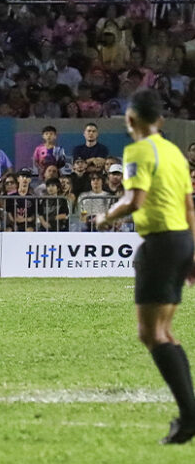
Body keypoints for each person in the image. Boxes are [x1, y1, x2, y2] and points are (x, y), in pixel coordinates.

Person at [94, 89, 195, 444]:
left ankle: (190, 416)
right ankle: (188, 417)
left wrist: (106, 216)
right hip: (181, 239)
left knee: (151, 334)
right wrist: (193, 253)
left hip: (162, 243)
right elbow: (189, 206)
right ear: (162, 121)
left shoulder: (137, 150)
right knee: (163, 331)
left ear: (130, 120)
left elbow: (136, 199)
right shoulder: (174, 153)